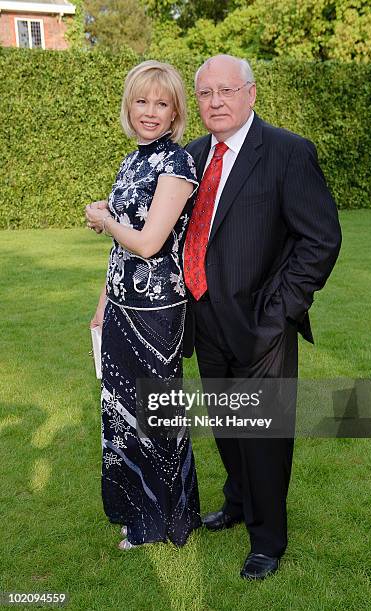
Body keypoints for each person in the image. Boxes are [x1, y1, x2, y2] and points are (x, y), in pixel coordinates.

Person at [183, 55, 342, 579]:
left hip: (262, 325)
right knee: (227, 425)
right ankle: (236, 502)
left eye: (226, 91)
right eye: (205, 94)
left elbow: (320, 239)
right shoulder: (194, 155)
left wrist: (280, 313)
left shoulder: (287, 152)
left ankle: (268, 540)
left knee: (264, 435)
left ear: (251, 93)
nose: (216, 102)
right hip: (205, 317)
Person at [85, 60, 201, 550]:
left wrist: (103, 218)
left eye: (162, 103)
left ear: (175, 112)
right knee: (120, 411)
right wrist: (102, 301)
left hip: (156, 312)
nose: (150, 112)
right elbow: (121, 246)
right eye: (142, 101)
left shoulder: (176, 164)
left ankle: (165, 522)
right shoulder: (132, 161)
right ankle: (137, 513)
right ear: (128, 107)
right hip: (121, 304)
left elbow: (150, 243)